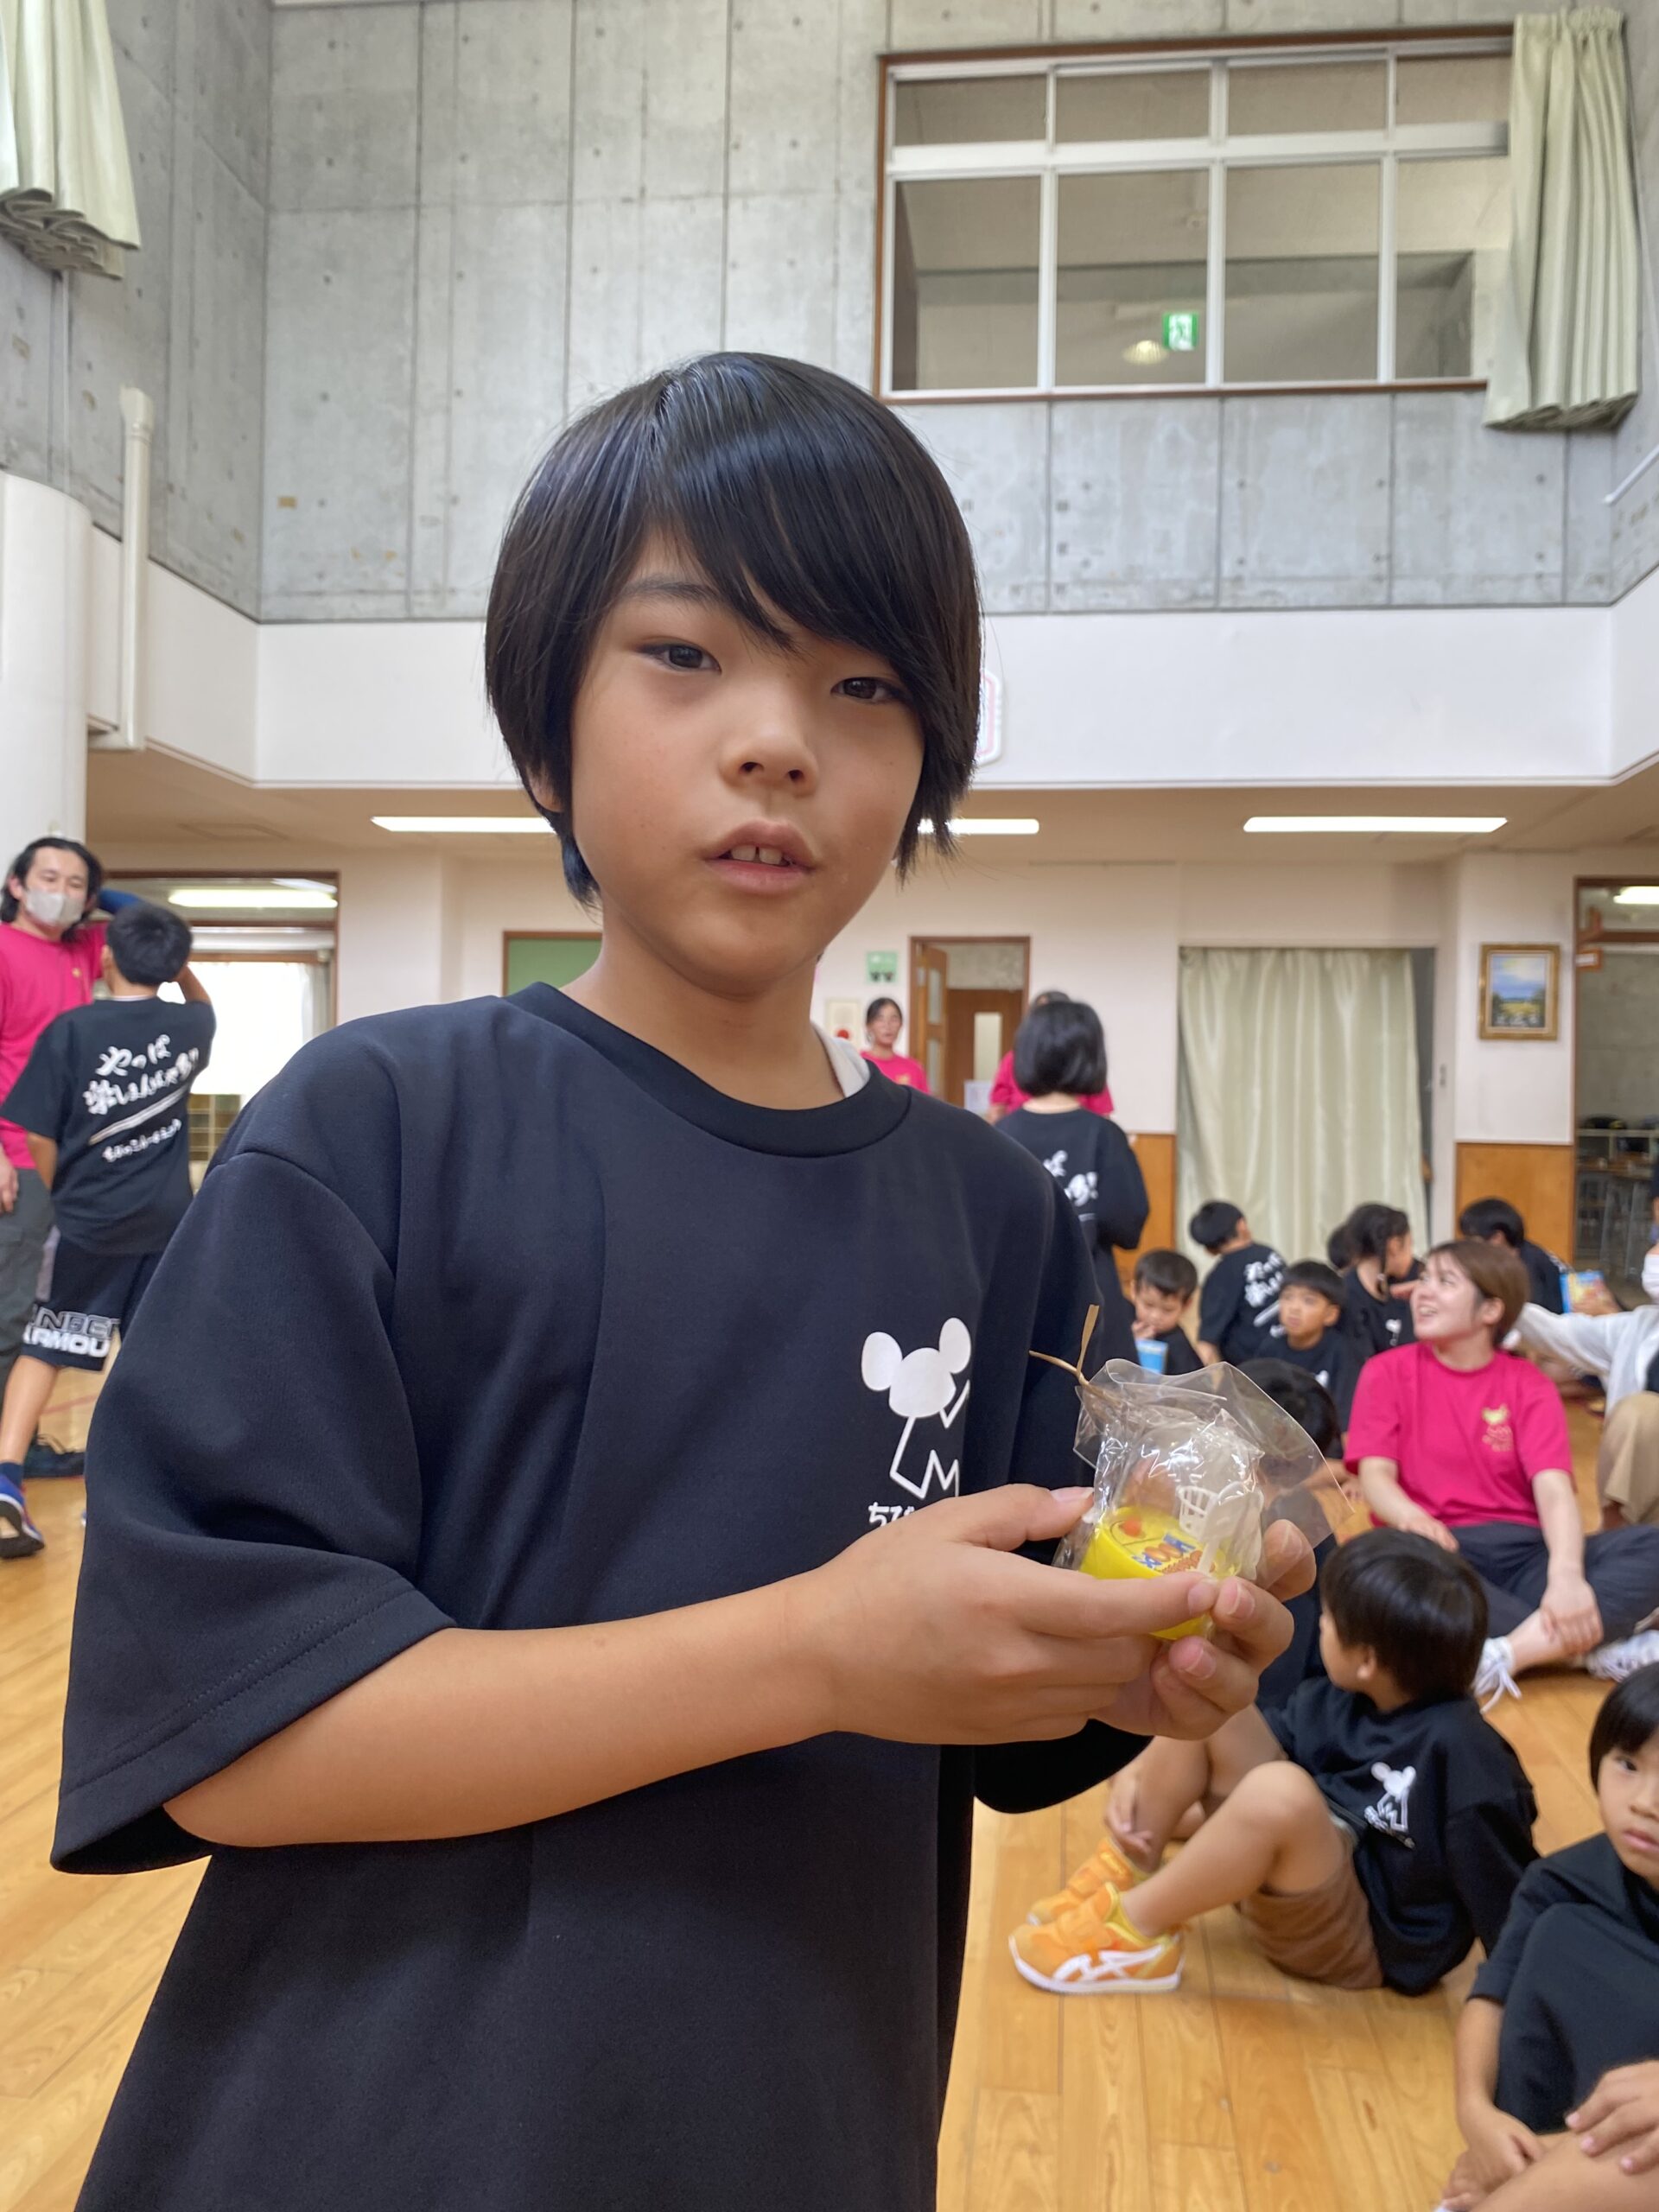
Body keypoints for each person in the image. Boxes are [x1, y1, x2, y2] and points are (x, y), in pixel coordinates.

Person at [49, 353, 1311, 2212]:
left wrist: (1144, 1658)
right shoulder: (378, 1128)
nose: (779, 739)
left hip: (801, 2116)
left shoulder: (986, 1214)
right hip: (366, 2128)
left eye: (864, 684)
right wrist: (816, 1650)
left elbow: (1002, 1682)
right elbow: (231, 1736)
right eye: (685, 653)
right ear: (544, 735)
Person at [1008, 1530, 1536, 2000]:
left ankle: (1134, 1929)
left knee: (1282, 1792)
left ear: (1368, 1661)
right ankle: (1130, 1861)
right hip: (1296, 1876)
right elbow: (1248, 1766)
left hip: (1360, 1938)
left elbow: (1507, 1887)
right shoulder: (1340, 1696)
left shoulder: (1467, 1756)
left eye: (1330, 1620)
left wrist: (1520, 1997)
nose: (1320, 1623)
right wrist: (1148, 1793)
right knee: (1214, 1711)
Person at [1347, 1240, 1659, 1707]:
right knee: (1374, 1571)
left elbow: (1554, 1491)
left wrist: (1566, 1577)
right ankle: (1591, 1649)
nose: (1422, 1292)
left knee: (1651, 1546)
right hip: (1434, 1549)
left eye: (1444, 1282)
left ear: (1491, 1309)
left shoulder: (1529, 1385)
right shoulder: (1385, 1371)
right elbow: (1375, 1476)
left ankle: (1510, 1653)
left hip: (1524, 1554)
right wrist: (1412, 1519)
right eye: (1424, 1279)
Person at [0, 902, 213, 1558]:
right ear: (174, 965)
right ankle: (128, 1499)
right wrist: (180, 967)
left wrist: (62, 1188)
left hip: (88, 1227)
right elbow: (200, 998)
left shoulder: (73, 1029)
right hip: (166, 1225)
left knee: (48, 1343)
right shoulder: (192, 1025)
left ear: (108, 958)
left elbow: (38, 1133)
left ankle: (5, 1481)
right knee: (150, 1356)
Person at [1442, 1665, 1659, 2212]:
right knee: (1561, 1938)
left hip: (1622, 2144)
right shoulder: (1565, 1882)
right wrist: (1477, 2115)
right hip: (1583, 2131)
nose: (1646, 1802)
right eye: (1628, 1765)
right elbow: (1491, 1994)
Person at [0, 838, 113, 1420]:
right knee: (12, 1309)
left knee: (44, 1313)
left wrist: (95, 899)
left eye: (75, 885)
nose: (60, 893)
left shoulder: (84, 948)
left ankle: (18, 1444)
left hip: (70, 1162)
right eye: (48, 879)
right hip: (17, 1158)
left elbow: (155, 922)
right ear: (17, 885)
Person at [997, 995, 1144, 1369]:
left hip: (1017, 1303)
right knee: (1097, 1399)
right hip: (1092, 1304)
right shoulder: (1104, 1135)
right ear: (1091, 1058)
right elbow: (1127, 1226)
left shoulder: (1000, 1135)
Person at [1510, 1242, 1659, 1531]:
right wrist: (1484, 1297)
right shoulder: (1639, 1327)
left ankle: (1616, 1541)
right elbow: (1553, 1333)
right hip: (1642, 1503)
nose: (1653, 1253)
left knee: (1640, 1413)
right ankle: (1616, 1541)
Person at [986, 988, 1113, 1124]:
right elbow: (997, 1109)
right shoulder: (1013, 1059)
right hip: (1021, 1131)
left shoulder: (1082, 1059)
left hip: (1076, 1131)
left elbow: (1102, 1114)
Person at [1190, 1199, 1286, 1368]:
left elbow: (1207, 1341)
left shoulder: (1220, 1277)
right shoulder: (1269, 1254)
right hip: (1289, 1351)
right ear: (1242, 1225)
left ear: (1209, 1249)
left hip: (1252, 1368)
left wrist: (1190, 1377)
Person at [1269, 1259, 1363, 1427]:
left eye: (1308, 1301)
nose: (1294, 1308)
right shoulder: (1270, 1348)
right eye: (1288, 1297)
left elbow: (1346, 1421)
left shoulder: (1343, 1354)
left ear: (1330, 1315)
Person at [1460, 1196, 1567, 1318]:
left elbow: (1529, 1318)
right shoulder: (1513, 1255)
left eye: (1471, 1239)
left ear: (1497, 1238)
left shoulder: (1532, 1267)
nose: (1469, 1246)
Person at [1342, 1200, 1418, 1360]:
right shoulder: (1348, 1297)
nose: (1412, 1255)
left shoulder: (1406, 1281)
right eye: (1410, 1245)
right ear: (1394, 1246)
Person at [1129, 1248, 1203, 1376]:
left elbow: (1195, 1382)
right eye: (1148, 1305)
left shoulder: (1179, 1347)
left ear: (1186, 1305)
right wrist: (1130, 1344)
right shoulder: (1123, 1324)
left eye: (1168, 1310)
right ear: (1134, 1291)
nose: (1155, 1316)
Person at [860, 994, 929, 1091]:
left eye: (894, 1019)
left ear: (901, 1024)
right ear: (868, 1025)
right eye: (880, 1019)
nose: (887, 1025)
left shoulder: (914, 1068)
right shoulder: (858, 1064)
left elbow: (923, 1100)